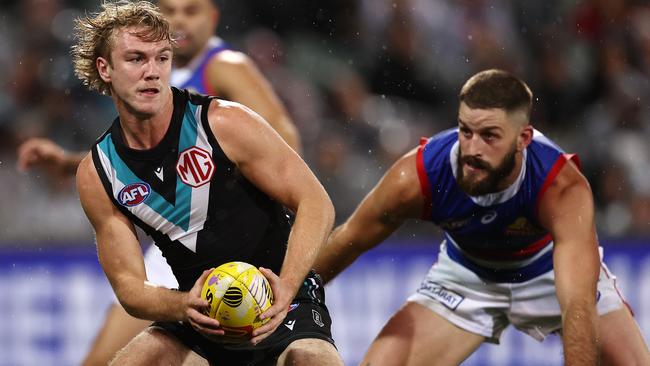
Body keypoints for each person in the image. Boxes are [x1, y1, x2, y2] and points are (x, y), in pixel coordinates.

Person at [16, 0, 302, 364]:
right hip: (178, 239)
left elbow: (282, 142)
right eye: (171, 10)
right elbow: (139, 162)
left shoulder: (224, 67)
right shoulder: (149, 77)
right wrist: (72, 162)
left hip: (234, 238)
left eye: (191, 10)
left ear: (212, 19)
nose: (180, 19)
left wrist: (239, 191)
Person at [314, 69, 650, 365]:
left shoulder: (559, 186)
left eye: (489, 136)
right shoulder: (419, 176)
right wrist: (289, 300)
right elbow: (349, 239)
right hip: (467, 276)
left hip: (546, 269)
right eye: (465, 131)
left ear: (523, 139)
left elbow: (577, 305)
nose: (472, 149)